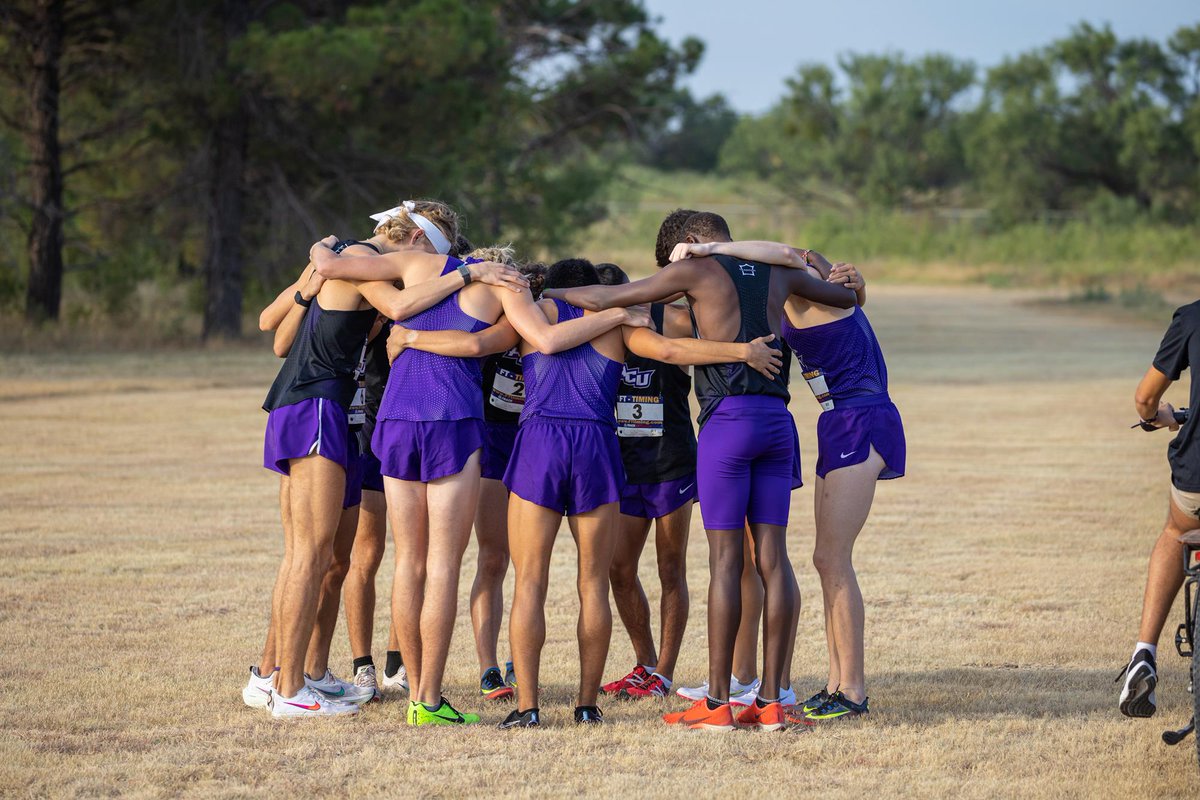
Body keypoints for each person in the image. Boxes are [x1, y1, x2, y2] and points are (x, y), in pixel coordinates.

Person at [311, 226, 650, 726]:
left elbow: (340, 272)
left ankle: (413, 694)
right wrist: (615, 310)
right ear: (506, 268)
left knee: (410, 562)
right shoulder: (504, 290)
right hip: (455, 419)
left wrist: (323, 249)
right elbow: (499, 345)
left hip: (398, 418)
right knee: (449, 564)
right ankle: (431, 698)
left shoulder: (414, 269)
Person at [545, 213, 856, 731]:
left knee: (725, 562)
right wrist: (847, 275)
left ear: (690, 244)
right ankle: (773, 701)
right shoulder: (779, 272)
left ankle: (717, 705)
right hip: (778, 425)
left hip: (727, 423)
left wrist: (539, 287)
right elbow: (844, 299)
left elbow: (603, 300)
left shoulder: (699, 271)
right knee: (774, 561)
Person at [673, 238, 901, 722]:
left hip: (862, 416)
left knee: (833, 558)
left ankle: (853, 691)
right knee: (824, 559)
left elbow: (794, 253)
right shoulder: (794, 295)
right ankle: (837, 683)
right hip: (837, 419)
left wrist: (712, 246)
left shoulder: (805, 283)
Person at [591, 262, 697, 701]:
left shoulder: (670, 319)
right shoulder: (593, 330)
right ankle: (646, 663)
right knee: (618, 567)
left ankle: (666, 674)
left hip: (670, 462)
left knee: (671, 567)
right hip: (624, 465)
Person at [1118, 299, 1200, 718]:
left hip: (1196, 478)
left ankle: (1144, 654)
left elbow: (1145, 398)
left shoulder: (1192, 317)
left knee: (1174, 531)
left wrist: (1162, 416)